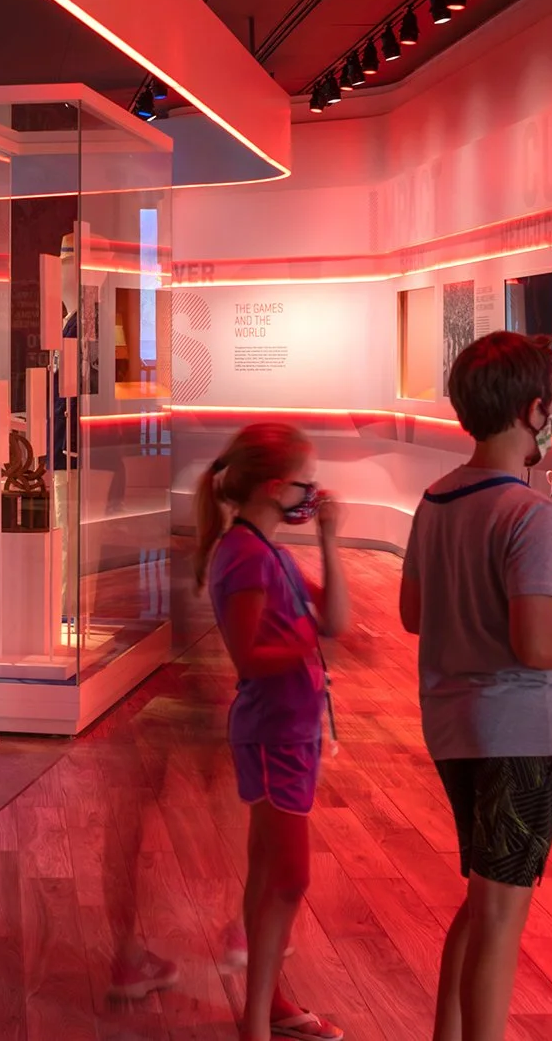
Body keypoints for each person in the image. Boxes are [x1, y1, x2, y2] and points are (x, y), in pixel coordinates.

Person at [400, 331, 552, 1041]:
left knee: (483, 901)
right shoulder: (527, 513)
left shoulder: (435, 500)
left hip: (451, 727)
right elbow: (535, 644)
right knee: (502, 916)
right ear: (533, 409)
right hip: (519, 734)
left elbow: (412, 615)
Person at [197, 422, 349, 1041]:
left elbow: (334, 619)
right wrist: (305, 639)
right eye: (306, 484)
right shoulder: (244, 556)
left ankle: (268, 1006)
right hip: (272, 734)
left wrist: (330, 540)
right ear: (273, 486)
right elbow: (249, 656)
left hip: (292, 729)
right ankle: (258, 1019)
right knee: (288, 878)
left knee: (269, 872)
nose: (314, 495)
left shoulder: (273, 554)